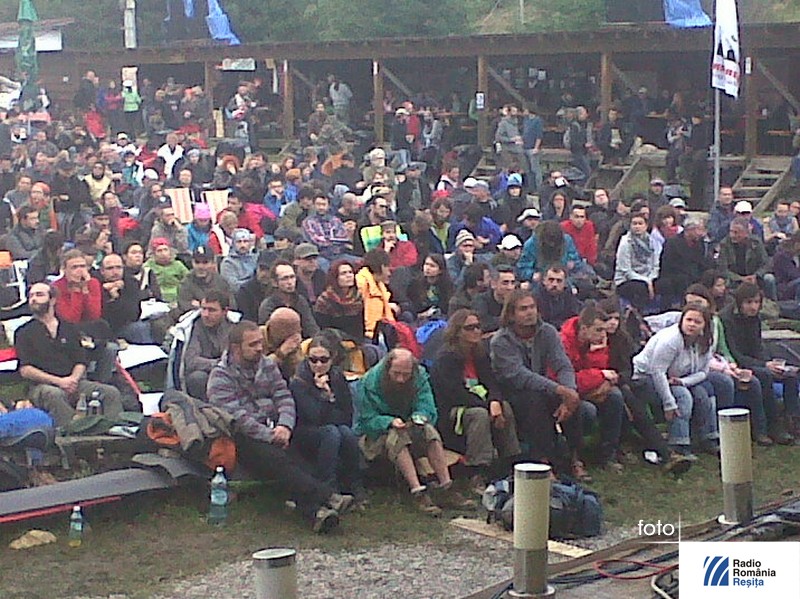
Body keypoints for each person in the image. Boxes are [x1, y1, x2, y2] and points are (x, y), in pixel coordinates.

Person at [207, 321, 353, 533]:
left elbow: (283, 396)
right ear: (236, 348)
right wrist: (270, 435)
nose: (260, 348)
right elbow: (237, 417)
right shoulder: (220, 377)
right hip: (245, 438)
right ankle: (328, 497)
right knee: (279, 461)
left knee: (298, 464)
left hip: (279, 429)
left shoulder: (267, 365)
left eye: (260, 342)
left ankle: (318, 513)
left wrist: (285, 425)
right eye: (253, 344)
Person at [355, 348, 473, 516]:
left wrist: (420, 417)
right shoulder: (368, 383)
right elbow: (366, 420)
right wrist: (388, 422)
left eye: (406, 375)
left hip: (409, 427)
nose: (401, 379)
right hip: (375, 437)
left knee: (429, 431)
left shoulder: (420, 378)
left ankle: (446, 486)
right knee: (398, 436)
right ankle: (417, 491)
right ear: (387, 369)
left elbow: (428, 406)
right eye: (396, 374)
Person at [490, 290, 588, 479]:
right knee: (534, 402)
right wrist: (559, 389)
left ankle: (575, 459)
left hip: (542, 387)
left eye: (532, 307)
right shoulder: (500, 341)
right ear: (511, 314)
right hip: (512, 392)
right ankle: (543, 462)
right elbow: (519, 375)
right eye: (523, 309)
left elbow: (562, 364)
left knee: (572, 402)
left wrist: (570, 392)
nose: (529, 312)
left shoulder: (547, 332)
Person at [431, 310, 521, 490]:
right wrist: (488, 406)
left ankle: (510, 462)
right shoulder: (446, 358)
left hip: (479, 401)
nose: (476, 331)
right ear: (457, 331)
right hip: (453, 409)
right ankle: (478, 470)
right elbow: (455, 393)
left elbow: (492, 383)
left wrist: (495, 401)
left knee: (505, 407)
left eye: (478, 327)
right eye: (470, 328)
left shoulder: (480, 354)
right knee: (479, 415)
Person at [15, 282, 123, 428]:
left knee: (110, 393)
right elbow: (26, 370)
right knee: (54, 394)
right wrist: (59, 382)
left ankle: (111, 430)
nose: (33, 299)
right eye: (31, 296)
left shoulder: (69, 328)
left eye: (39, 295)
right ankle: (71, 432)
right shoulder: (23, 332)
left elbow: (81, 361)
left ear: (52, 300)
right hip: (42, 386)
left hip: (73, 382)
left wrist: (73, 380)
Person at [632, 303, 720, 459]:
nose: (692, 324)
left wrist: (683, 381)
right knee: (682, 396)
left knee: (703, 392)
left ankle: (709, 438)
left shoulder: (706, 341)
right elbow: (657, 371)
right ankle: (679, 445)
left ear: (705, 326)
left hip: (679, 377)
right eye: (689, 320)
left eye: (697, 322)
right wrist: (669, 403)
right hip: (645, 378)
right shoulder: (671, 340)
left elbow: (703, 372)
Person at [721, 283, 800, 439]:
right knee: (764, 375)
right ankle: (768, 427)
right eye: (749, 302)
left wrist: (769, 362)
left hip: (756, 361)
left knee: (790, 375)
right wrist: (764, 365)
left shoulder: (755, 318)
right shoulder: (727, 319)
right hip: (737, 365)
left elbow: (758, 346)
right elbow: (735, 353)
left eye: (756, 302)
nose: (753, 307)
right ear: (740, 302)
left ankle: (793, 422)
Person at [289, 336, 364, 499]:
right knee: (331, 432)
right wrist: (325, 396)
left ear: (332, 358)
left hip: (332, 426)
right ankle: (328, 488)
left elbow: (347, 415)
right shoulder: (299, 382)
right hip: (304, 432)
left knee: (345, 432)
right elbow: (313, 416)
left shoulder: (337, 377)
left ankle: (353, 484)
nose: (318, 365)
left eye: (323, 360)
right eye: (313, 360)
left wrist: (329, 403)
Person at [559, 304, 626, 472]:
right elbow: (567, 378)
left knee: (614, 396)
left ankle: (608, 455)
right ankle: (575, 458)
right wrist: (601, 376)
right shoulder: (564, 342)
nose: (603, 335)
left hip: (584, 388)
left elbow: (595, 369)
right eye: (598, 330)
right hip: (564, 393)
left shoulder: (591, 341)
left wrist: (599, 352)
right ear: (584, 329)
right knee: (587, 410)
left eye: (604, 330)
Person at [183, 290, 234, 401]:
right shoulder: (194, 327)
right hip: (207, 372)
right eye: (203, 309)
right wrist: (217, 364)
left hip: (232, 372)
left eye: (212, 310)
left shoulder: (233, 327)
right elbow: (191, 360)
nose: (205, 315)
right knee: (197, 378)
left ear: (225, 311)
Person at [655, 216, 712, 306]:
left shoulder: (700, 243)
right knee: (683, 280)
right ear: (689, 230)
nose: (701, 233)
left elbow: (702, 263)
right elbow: (667, 266)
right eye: (699, 230)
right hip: (675, 276)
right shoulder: (672, 243)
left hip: (695, 275)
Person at [717, 217, 776, 300]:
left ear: (746, 233)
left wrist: (756, 275)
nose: (732, 235)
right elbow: (722, 269)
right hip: (734, 279)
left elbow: (766, 263)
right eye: (731, 231)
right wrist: (740, 278)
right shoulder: (724, 244)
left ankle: (773, 303)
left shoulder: (756, 242)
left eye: (736, 232)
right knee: (725, 283)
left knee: (769, 278)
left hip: (755, 278)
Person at [98, 253, 153, 344]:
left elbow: (134, 314)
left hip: (125, 326)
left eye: (118, 267)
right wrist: (108, 294)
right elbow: (101, 314)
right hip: (103, 329)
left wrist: (116, 297)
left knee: (143, 326)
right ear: (102, 271)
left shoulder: (131, 282)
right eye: (110, 268)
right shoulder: (95, 285)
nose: (115, 272)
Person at [258, 260, 320, 338]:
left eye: (292, 277)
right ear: (274, 282)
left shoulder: (300, 300)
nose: (290, 282)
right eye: (285, 278)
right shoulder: (267, 306)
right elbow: (266, 335)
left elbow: (311, 327)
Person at [614, 212, 659, 312]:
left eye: (640, 223)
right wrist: (647, 281)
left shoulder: (652, 241)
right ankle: (641, 314)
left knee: (663, 284)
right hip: (625, 280)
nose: (637, 226)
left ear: (646, 226)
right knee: (641, 288)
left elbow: (655, 265)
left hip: (648, 277)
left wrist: (650, 279)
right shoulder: (625, 243)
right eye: (634, 223)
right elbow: (627, 271)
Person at [314, 259, 364, 340]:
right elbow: (323, 328)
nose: (349, 276)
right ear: (335, 277)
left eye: (350, 272)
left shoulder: (359, 297)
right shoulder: (325, 300)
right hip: (332, 341)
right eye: (343, 273)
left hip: (357, 341)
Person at [177, 245, 233, 315]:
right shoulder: (186, 283)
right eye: (197, 262)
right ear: (192, 263)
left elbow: (231, 305)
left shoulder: (221, 282)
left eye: (205, 262)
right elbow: (183, 306)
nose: (200, 266)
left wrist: (202, 305)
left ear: (213, 263)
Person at [356, 249, 398, 339]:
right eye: (388, 268)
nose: (390, 273)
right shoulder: (361, 283)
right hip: (367, 335)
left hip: (380, 330)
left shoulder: (379, 285)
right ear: (382, 267)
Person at [401, 254, 453, 322]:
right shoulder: (415, 284)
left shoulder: (447, 286)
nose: (428, 268)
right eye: (426, 264)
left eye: (432, 266)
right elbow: (412, 305)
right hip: (419, 318)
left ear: (440, 270)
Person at [145, 237, 190, 308]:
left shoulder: (178, 265)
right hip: (155, 300)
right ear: (154, 254)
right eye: (159, 251)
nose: (163, 253)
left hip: (177, 299)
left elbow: (189, 280)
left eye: (165, 250)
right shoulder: (148, 266)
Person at [472, 265, 516, 334]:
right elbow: (483, 323)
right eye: (505, 283)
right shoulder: (480, 300)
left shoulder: (518, 301)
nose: (510, 287)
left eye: (512, 283)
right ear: (493, 284)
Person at [220, 228, 258, 293]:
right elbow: (233, 285)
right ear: (233, 243)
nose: (242, 245)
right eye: (239, 242)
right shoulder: (227, 263)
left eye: (245, 241)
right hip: (238, 294)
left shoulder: (255, 258)